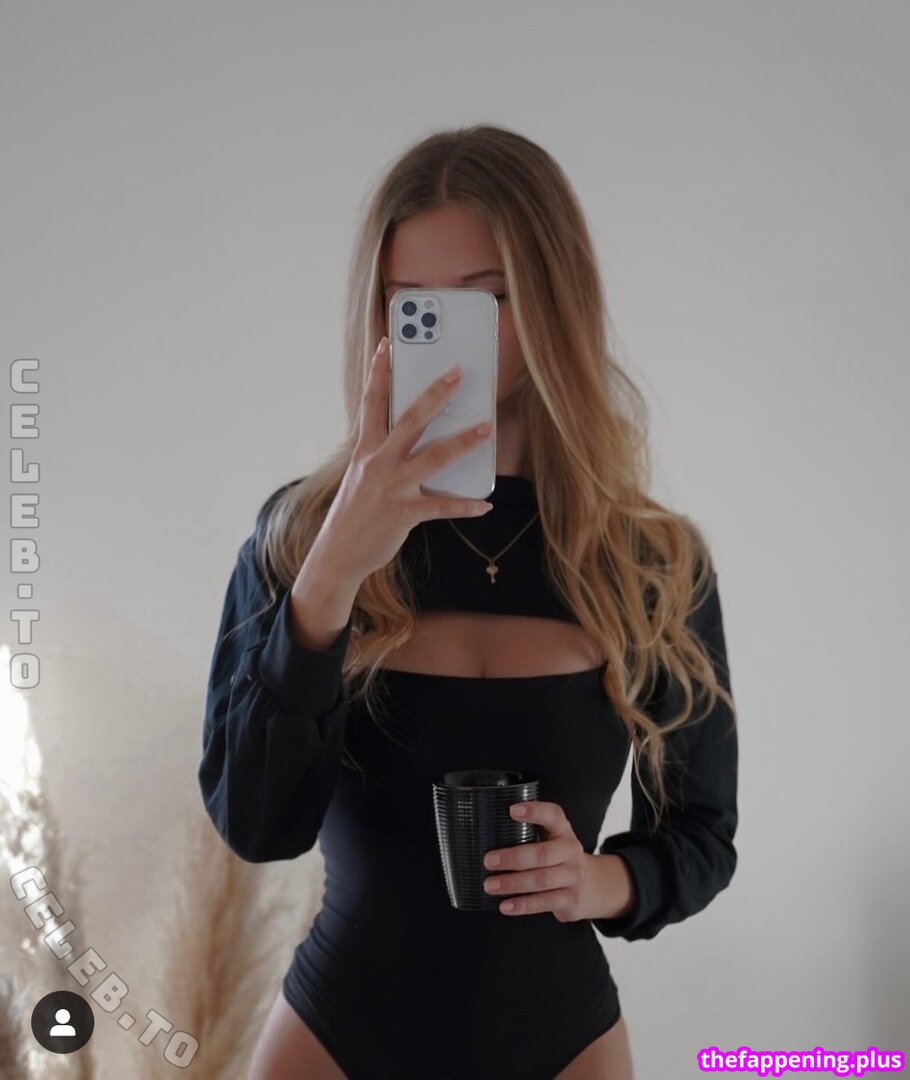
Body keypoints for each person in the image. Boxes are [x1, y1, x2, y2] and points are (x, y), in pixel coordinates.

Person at [198, 124, 739, 1080]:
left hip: (563, 1039)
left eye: (486, 299)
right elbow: (255, 827)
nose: (449, 335)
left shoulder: (650, 563)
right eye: (415, 305)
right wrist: (330, 578)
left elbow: (701, 834)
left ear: (555, 297)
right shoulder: (301, 536)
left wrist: (599, 881)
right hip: (333, 1039)